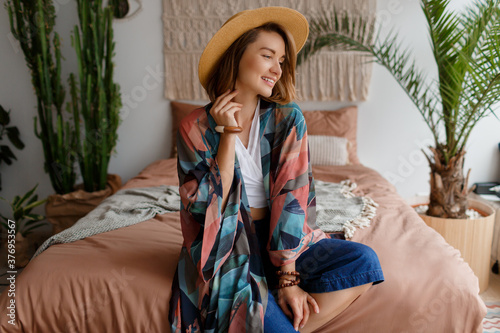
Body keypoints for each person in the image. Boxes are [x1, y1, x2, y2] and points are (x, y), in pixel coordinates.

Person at [169, 7, 384, 333]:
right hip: (231, 244)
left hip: (283, 241)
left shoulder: (287, 118)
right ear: (237, 56)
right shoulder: (194, 127)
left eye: (281, 61)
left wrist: (287, 278)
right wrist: (227, 134)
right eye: (268, 56)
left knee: (364, 261)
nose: (276, 68)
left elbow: (292, 197)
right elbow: (206, 206)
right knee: (252, 315)